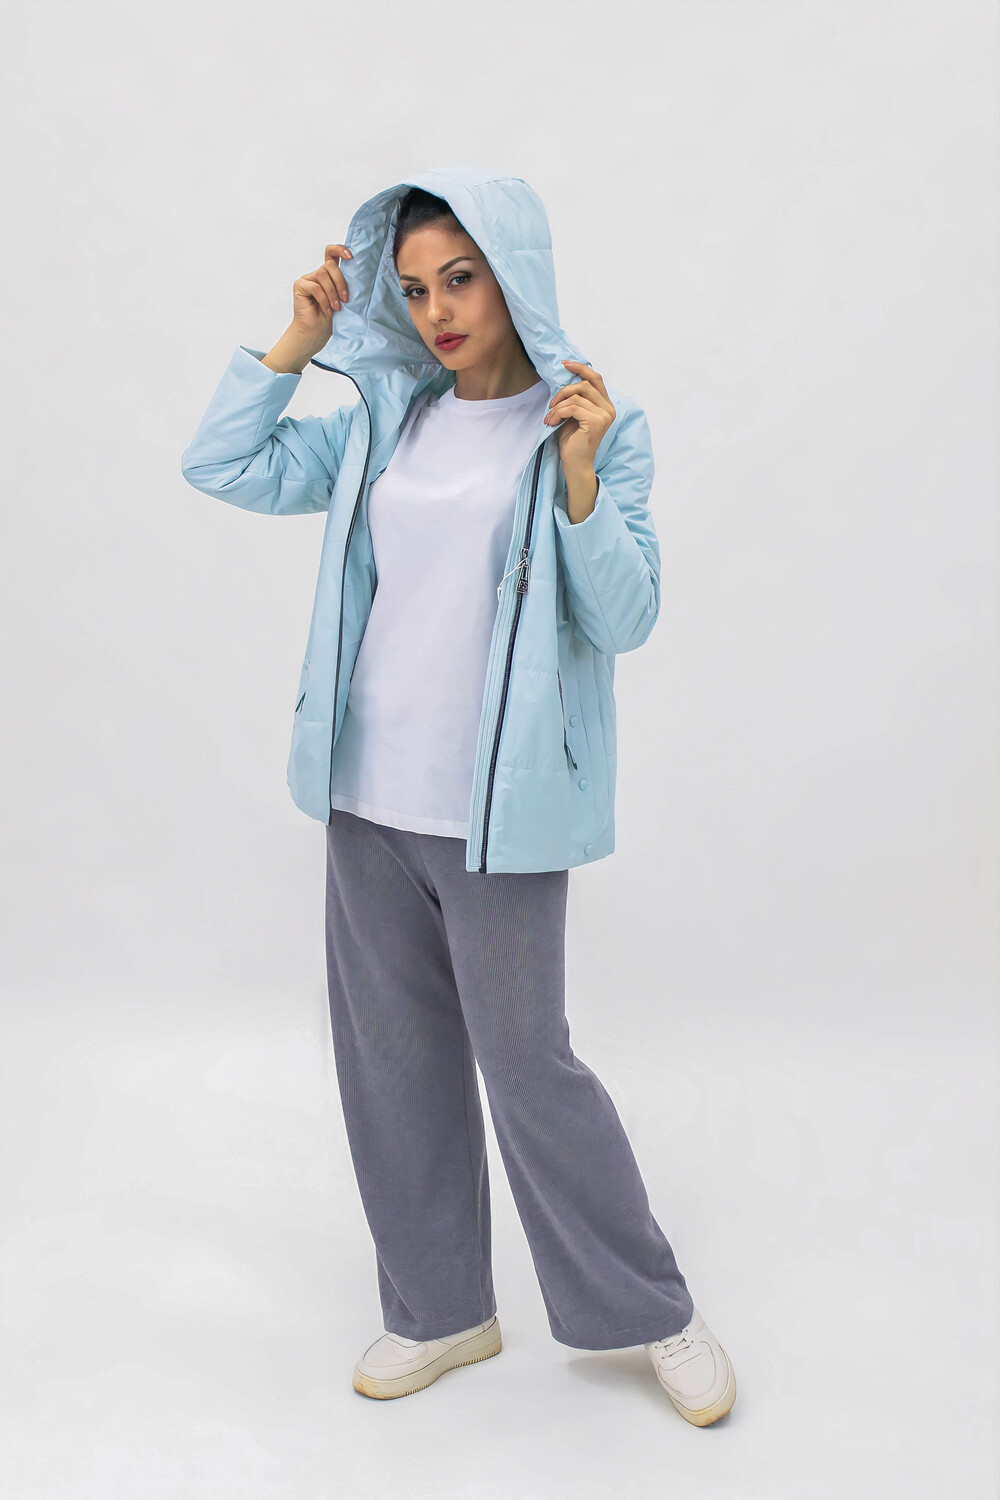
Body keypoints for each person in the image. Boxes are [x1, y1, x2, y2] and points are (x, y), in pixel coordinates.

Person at [180, 167, 736, 1425]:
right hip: (365, 796)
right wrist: (295, 343)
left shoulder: (590, 423)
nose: (436, 310)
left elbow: (626, 619)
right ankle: (440, 1310)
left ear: (513, 275)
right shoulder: (386, 419)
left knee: (528, 1064)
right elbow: (220, 464)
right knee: (390, 1060)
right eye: (416, 287)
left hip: (502, 812)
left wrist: (580, 478)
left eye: (462, 279)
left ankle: (650, 1308)